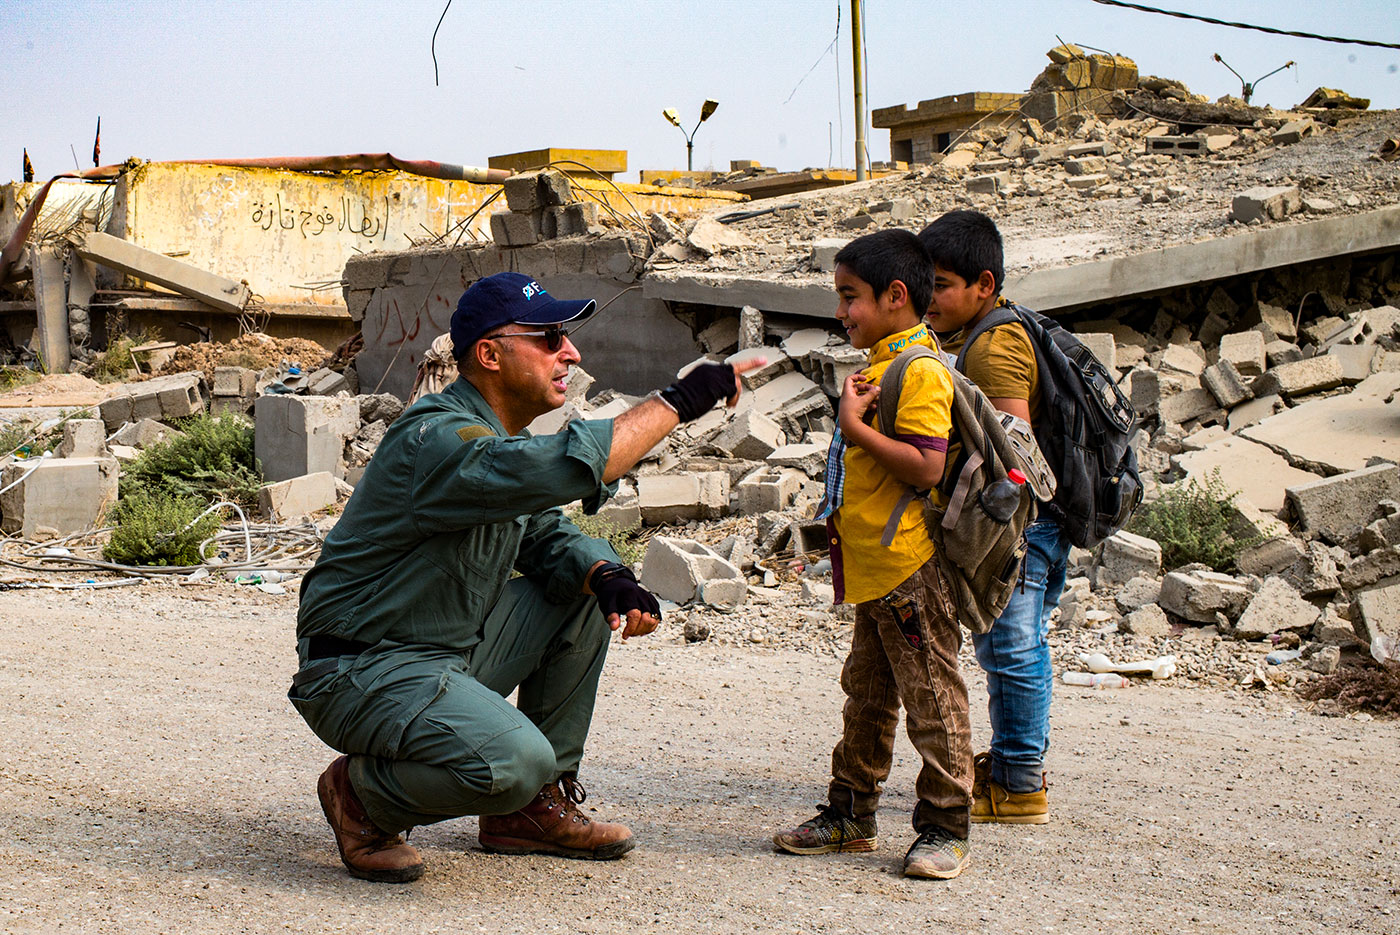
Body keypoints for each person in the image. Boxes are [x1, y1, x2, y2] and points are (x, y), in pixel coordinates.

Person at [290, 271, 761, 883]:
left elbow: (542, 531)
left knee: (583, 591)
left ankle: (527, 812)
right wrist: (679, 401)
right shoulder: (437, 437)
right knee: (515, 759)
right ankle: (362, 796)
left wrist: (607, 574)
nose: (570, 351)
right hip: (362, 670)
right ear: (489, 354)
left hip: (441, 658)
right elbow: (574, 462)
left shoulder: (490, 437)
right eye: (548, 337)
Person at [772, 230, 973, 880]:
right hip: (877, 573)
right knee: (867, 693)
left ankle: (946, 828)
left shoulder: (917, 369)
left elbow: (925, 466)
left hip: (911, 570)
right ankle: (850, 812)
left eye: (849, 296)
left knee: (933, 699)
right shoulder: (886, 362)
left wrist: (854, 427)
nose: (840, 312)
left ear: (895, 296)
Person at [918, 210, 1064, 825]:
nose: (930, 300)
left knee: (1010, 648)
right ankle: (1010, 766)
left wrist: (983, 529)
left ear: (984, 284)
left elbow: (1016, 457)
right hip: (1038, 524)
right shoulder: (992, 331)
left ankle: (1021, 784)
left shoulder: (995, 348)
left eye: (942, 286)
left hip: (1023, 527)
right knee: (1014, 647)